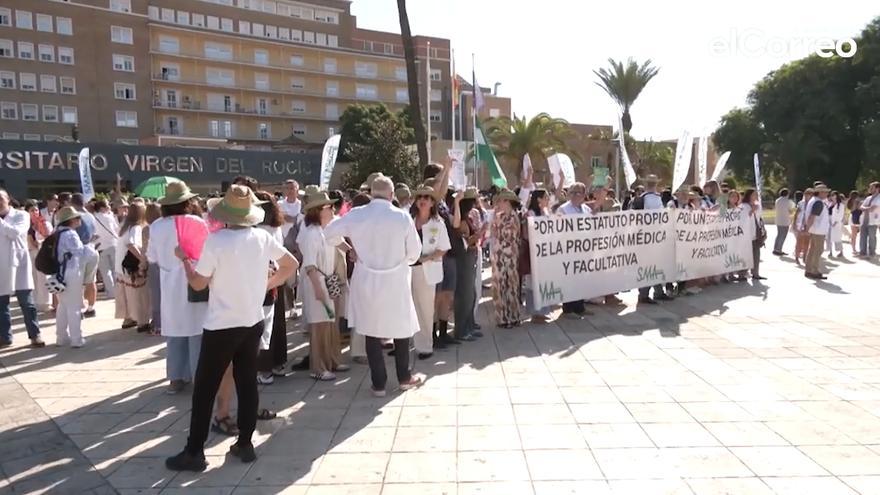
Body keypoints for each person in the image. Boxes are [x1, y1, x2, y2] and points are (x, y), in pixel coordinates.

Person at [165, 185, 297, 471]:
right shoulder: (262, 237)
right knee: (247, 384)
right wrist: (266, 285)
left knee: (205, 389)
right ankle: (245, 444)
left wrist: (185, 259)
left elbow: (198, 283)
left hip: (221, 325)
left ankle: (195, 451)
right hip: (251, 321)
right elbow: (291, 264)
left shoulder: (217, 241)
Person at [323, 175, 423, 396]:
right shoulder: (401, 216)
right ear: (391, 194)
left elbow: (328, 232)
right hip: (395, 280)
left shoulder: (358, 214)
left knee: (371, 330)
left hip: (366, 279)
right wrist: (400, 262)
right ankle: (404, 377)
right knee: (401, 328)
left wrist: (348, 248)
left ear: (370, 193)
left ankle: (378, 384)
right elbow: (415, 253)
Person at [147, 182, 208, 395]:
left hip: (169, 283)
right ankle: (199, 377)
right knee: (197, 331)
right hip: (194, 279)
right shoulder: (197, 222)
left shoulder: (156, 226)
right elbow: (207, 251)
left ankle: (176, 378)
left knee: (174, 332)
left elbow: (151, 256)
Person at [297, 190, 350, 381]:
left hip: (328, 280)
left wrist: (353, 253)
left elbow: (339, 244)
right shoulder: (311, 233)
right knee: (320, 326)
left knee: (330, 323)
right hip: (317, 282)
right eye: (329, 206)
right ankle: (318, 368)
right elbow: (310, 265)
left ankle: (332, 360)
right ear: (319, 210)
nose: (333, 209)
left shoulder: (325, 229)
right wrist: (318, 289)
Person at [409, 185, 450, 358]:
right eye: (420, 197)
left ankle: (425, 346)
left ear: (433, 202)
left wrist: (427, 257)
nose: (422, 200)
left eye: (426, 197)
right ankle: (407, 344)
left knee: (425, 310)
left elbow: (444, 248)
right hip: (407, 270)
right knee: (409, 308)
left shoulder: (438, 223)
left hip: (426, 270)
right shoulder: (409, 220)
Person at [254, 191, 290, 385]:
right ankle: (278, 362)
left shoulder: (259, 231)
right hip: (278, 275)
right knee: (276, 323)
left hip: (263, 278)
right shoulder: (276, 227)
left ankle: (264, 368)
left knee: (263, 325)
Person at [0, 190, 44, 348]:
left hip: (19, 265)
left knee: (27, 303)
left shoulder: (21, 215)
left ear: (8, 199)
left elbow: (14, 233)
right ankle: (5, 337)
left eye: (0, 198)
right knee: (2, 305)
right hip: (1, 266)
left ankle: (35, 335)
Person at [557, 182, 594, 316]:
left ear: (583, 195)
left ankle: (579, 307)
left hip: (584, 250)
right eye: (571, 192)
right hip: (569, 250)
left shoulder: (586, 210)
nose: (574, 195)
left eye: (577, 193)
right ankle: (568, 309)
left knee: (581, 279)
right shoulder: (563, 209)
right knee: (569, 279)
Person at [115, 201, 152, 333]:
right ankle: (142, 322)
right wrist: (142, 258)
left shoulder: (123, 225)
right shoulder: (136, 227)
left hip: (120, 266)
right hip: (131, 267)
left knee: (125, 295)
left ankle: (128, 318)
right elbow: (131, 244)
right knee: (138, 295)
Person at [634, 175, 672, 303]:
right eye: (650, 183)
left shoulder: (656, 198)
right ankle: (644, 294)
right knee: (647, 266)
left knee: (657, 265)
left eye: (653, 183)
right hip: (646, 237)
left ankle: (658, 292)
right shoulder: (642, 199)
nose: (652, 185)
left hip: (657, 236)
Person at [52, 206, 87, 347]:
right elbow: (80, 252)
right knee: (74, 306)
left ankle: (61, 337)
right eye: (77, 217)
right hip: (71, 271)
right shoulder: (71, 234)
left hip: (58, 273)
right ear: (71, 220)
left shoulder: (56, 232)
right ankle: (76, 339)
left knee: (63, 305)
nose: (80, 220)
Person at [452, 187, 483, 340]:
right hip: (465, 259)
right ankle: (462, 330)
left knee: (471, 294)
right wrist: (480, 233)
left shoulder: (467, 217)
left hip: (470, 258)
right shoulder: (463, 221)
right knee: (465, 295)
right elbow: (466, 241)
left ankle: (469, 326)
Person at [489, 189, 523, 328]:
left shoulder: (515, 216)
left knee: (512, 285)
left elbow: (514, 235)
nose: (499, 204)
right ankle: (502, 318)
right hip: (499, 253)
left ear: (508, 202)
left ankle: (514, 316)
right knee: (500, 285)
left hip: (511, 254)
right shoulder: (498, 216)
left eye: (501, 201)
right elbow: (493, 233)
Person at [521, 189, 554, 322]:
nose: (548, 200)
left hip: (545, 252)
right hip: (533, 252)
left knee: (544, 282)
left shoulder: (545, 212)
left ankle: (543, 311)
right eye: (546, 197)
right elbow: (526, 234)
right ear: (539, 199)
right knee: (533, 283)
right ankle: (535, 313)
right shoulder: (530, 214)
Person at [70, 194, 100, 318]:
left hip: (80, 250)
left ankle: (80, 309)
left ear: (72, 203)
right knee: (91, 281)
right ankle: (91, 308)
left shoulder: (75, 217)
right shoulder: (91, 216)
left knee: (77, 283)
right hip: (92, 248)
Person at [24, 200, 52, 313]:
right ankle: (36, 301)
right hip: (30, 253)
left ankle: (46, 302)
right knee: (33, 278)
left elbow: (48, 236)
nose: (35, 212)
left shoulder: (44, 223)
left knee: (43, 278)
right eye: (32, 210)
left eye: (36, 210)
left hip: (42, 252)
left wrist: (39, 237)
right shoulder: (25, 224)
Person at [91, 199, 119, 300]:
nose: (109, 208)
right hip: (113, 244)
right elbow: (117, 229)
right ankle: (118, 291)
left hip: (100, 246)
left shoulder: (93, 218)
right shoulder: (110, 217)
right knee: (115, 269)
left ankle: (111, 292)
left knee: (105, 271)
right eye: (107, 206)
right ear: (102, 208)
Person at [804, 184, 831, 280]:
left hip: (815, 229)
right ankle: (814, 270)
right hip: (818, 230)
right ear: (820, 192)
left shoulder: (814, 200)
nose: (827, 194)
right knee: (818, 250)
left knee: (812, 249)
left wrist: (808, 228)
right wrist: (807, 229)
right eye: (825, 192)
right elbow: (812, 217)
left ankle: (808, 269)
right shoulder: (818, 202)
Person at [741, 189, 766, 281]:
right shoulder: (744, 206)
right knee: (746, 255)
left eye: (756, 194)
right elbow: (742, 218)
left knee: (756, 254)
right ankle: (742, 273)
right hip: (747, 234)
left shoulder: (757, 205)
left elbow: (759, 218)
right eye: (754, 194)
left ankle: (755, 273)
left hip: (756, 233)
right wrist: (752, 211)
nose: (755, 196)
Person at [859, 182, 880, 258]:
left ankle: (872, 253)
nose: (870, 189)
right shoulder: (868, 198)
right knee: (862, 236)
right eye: (870, 187)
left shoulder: (879, 198)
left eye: (872, 187)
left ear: (877, 189)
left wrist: (865, 208)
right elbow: (861, 207)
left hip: (873, 221)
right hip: (864, 220)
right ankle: (862, 252)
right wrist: (867, 208)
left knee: (872, 237)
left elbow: (872, 209)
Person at [793, 189, 813, 265]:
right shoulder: (801, 203)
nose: (808, 196)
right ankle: (797, 256)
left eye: (809, 195)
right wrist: (794, 223)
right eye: (806, 194)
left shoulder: (812, 204)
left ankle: (805, 256)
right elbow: (796, 213)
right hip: (800, 224)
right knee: (799, 242)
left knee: (807, 243)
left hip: (808, 225)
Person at [773, 188, 793, 255]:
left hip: (778, 220)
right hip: (785, 220)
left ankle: (775, 248)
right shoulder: (788, 201)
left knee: (779, 235)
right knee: (783, 236)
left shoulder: (777, 200)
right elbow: (791, 211)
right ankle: (779, 250)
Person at [826, 192, 846, 258]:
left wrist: (836, 222)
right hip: (829, 221)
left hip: (836, 223)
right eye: (832, 195)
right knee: (829, 237)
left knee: (837, 238)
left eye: (834, 195)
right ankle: (830, 251)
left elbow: (841, 215)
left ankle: (841, 251)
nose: (832, 197)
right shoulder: (829, 203)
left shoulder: (841, 205)